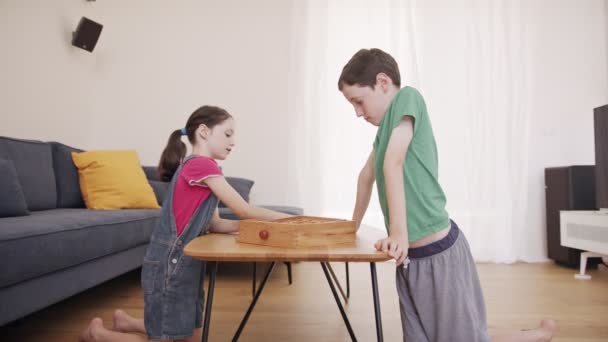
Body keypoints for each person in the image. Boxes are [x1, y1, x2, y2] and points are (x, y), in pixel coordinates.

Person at [338, 48, 556, 342]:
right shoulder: (382, 132)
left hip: (438, 254)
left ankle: (539, 336)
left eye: (359, 101)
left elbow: (393, 162)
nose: (358, 112)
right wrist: (350, 228)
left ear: (383, 82)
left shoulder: (408, 98)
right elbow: (366, 177)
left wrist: (399, 233)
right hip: (409, 262)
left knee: (467, 338)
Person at [79, 105, 291, 342]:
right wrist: (290, 220)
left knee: (189, 334)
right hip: (172, 264)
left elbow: (217, 224)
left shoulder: (202, 168)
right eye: (228, 134)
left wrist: (259, 228)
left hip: (185, 264)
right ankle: (99, 335)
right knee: (170, 334)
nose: (233, 142)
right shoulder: (202, 165)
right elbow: (243, 209)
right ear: (204, 132)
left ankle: (127, 323)